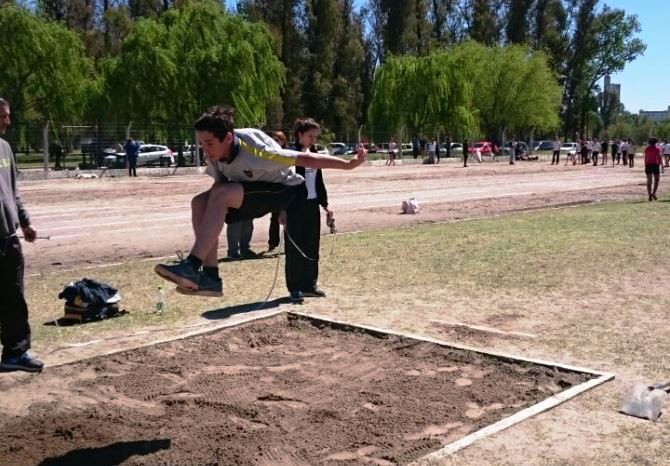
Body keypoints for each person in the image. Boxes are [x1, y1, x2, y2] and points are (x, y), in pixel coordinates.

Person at [154, 105, 366, 297]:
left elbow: (305, 159)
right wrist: (213, 206)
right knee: (199, 203)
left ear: (228, 138)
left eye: (209, 143)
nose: (205, 150)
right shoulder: (214, 155)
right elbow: (219, 185)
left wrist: (348, 164)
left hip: (284, 190)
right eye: (201, 144)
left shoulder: (256, 150)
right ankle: (210, 278)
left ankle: (191, 265)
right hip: (251, 190)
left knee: (218, 196)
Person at [0, 98, 44, 372]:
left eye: (7, 115)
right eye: (3, 116)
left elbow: (13, 191)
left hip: (8, 239)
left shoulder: (5, 148)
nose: (8, 121)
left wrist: (24, 222)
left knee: (14, 298)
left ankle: (15, 353)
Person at [285, 118, 332, 303]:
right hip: (294, 207)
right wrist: (282, 209)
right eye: (310, 136)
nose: (313, 139)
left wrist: (325, 205)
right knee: (295, 248)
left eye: (315, 136)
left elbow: (319, 182)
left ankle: (309, 285)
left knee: (312, 246)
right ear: (300, 135)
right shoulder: (290, 155)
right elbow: (285, 184)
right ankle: (295, 287)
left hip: (312, 206)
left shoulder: (314, 153)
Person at [267, 131, 288, 252]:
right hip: (274, 189)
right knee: (274, 217)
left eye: (278, 139)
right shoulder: (268, 153)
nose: (276, 141)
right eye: (273, 139)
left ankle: (288, 245)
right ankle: (272, 243)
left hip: (286, 187)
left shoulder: (287, 153)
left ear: (283, 141)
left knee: (288, 217)